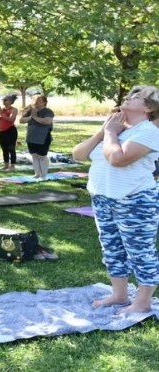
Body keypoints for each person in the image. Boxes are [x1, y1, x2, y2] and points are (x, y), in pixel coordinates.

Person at [72, 85, 159, 315]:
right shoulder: (114, 128)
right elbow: (78, 155)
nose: (129, 98)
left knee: (140, 251)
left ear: (149, 108)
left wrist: (111, 134)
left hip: (135, 200)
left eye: (137, 97)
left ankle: (142, 302)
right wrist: (103, 131)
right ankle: (119, 294)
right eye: (129, 95)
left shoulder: (148, 131)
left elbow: (118, 159)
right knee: (111, 248)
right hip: (102, 198)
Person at [19, 95, 54, 179]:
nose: (36, 102)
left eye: (39, 101)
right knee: (34, 155)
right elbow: (21, 120)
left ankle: (43, 175)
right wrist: (31, 116)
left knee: (42, 156)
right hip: (31, 136)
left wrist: (35, 117)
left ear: (44, 102)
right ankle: (37, 174)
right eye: (36, 100)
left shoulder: (48, 111)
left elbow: (47, 121)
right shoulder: (31, 111)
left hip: (43, 137)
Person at [0, 94, 19, 171]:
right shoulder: (2, 110)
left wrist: (1, 113)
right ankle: (6, 165)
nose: (3, 101)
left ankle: (13, 165)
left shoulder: (14, 109)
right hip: (2, 131)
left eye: (5, 100)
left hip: (10, 130)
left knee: (11, 148)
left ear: (10, 101)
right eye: (3, 100)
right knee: (4, 148)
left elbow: (11, 119)